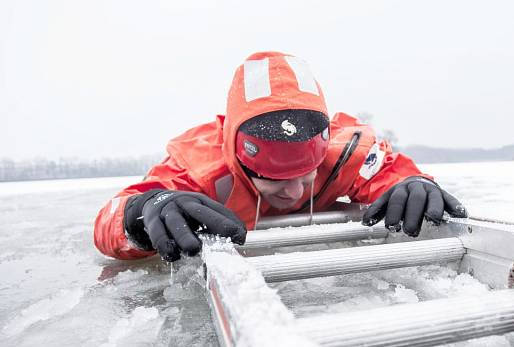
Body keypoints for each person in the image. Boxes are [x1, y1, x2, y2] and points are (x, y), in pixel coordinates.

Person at [94, 51, 467, 262]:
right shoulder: (202, 165)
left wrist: (411, 183)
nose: (294, 193)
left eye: (306, 174)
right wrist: (140, 214)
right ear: (240, 160)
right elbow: (111, 218)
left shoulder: (342, 154)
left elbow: (386, 172)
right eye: (273, 178)